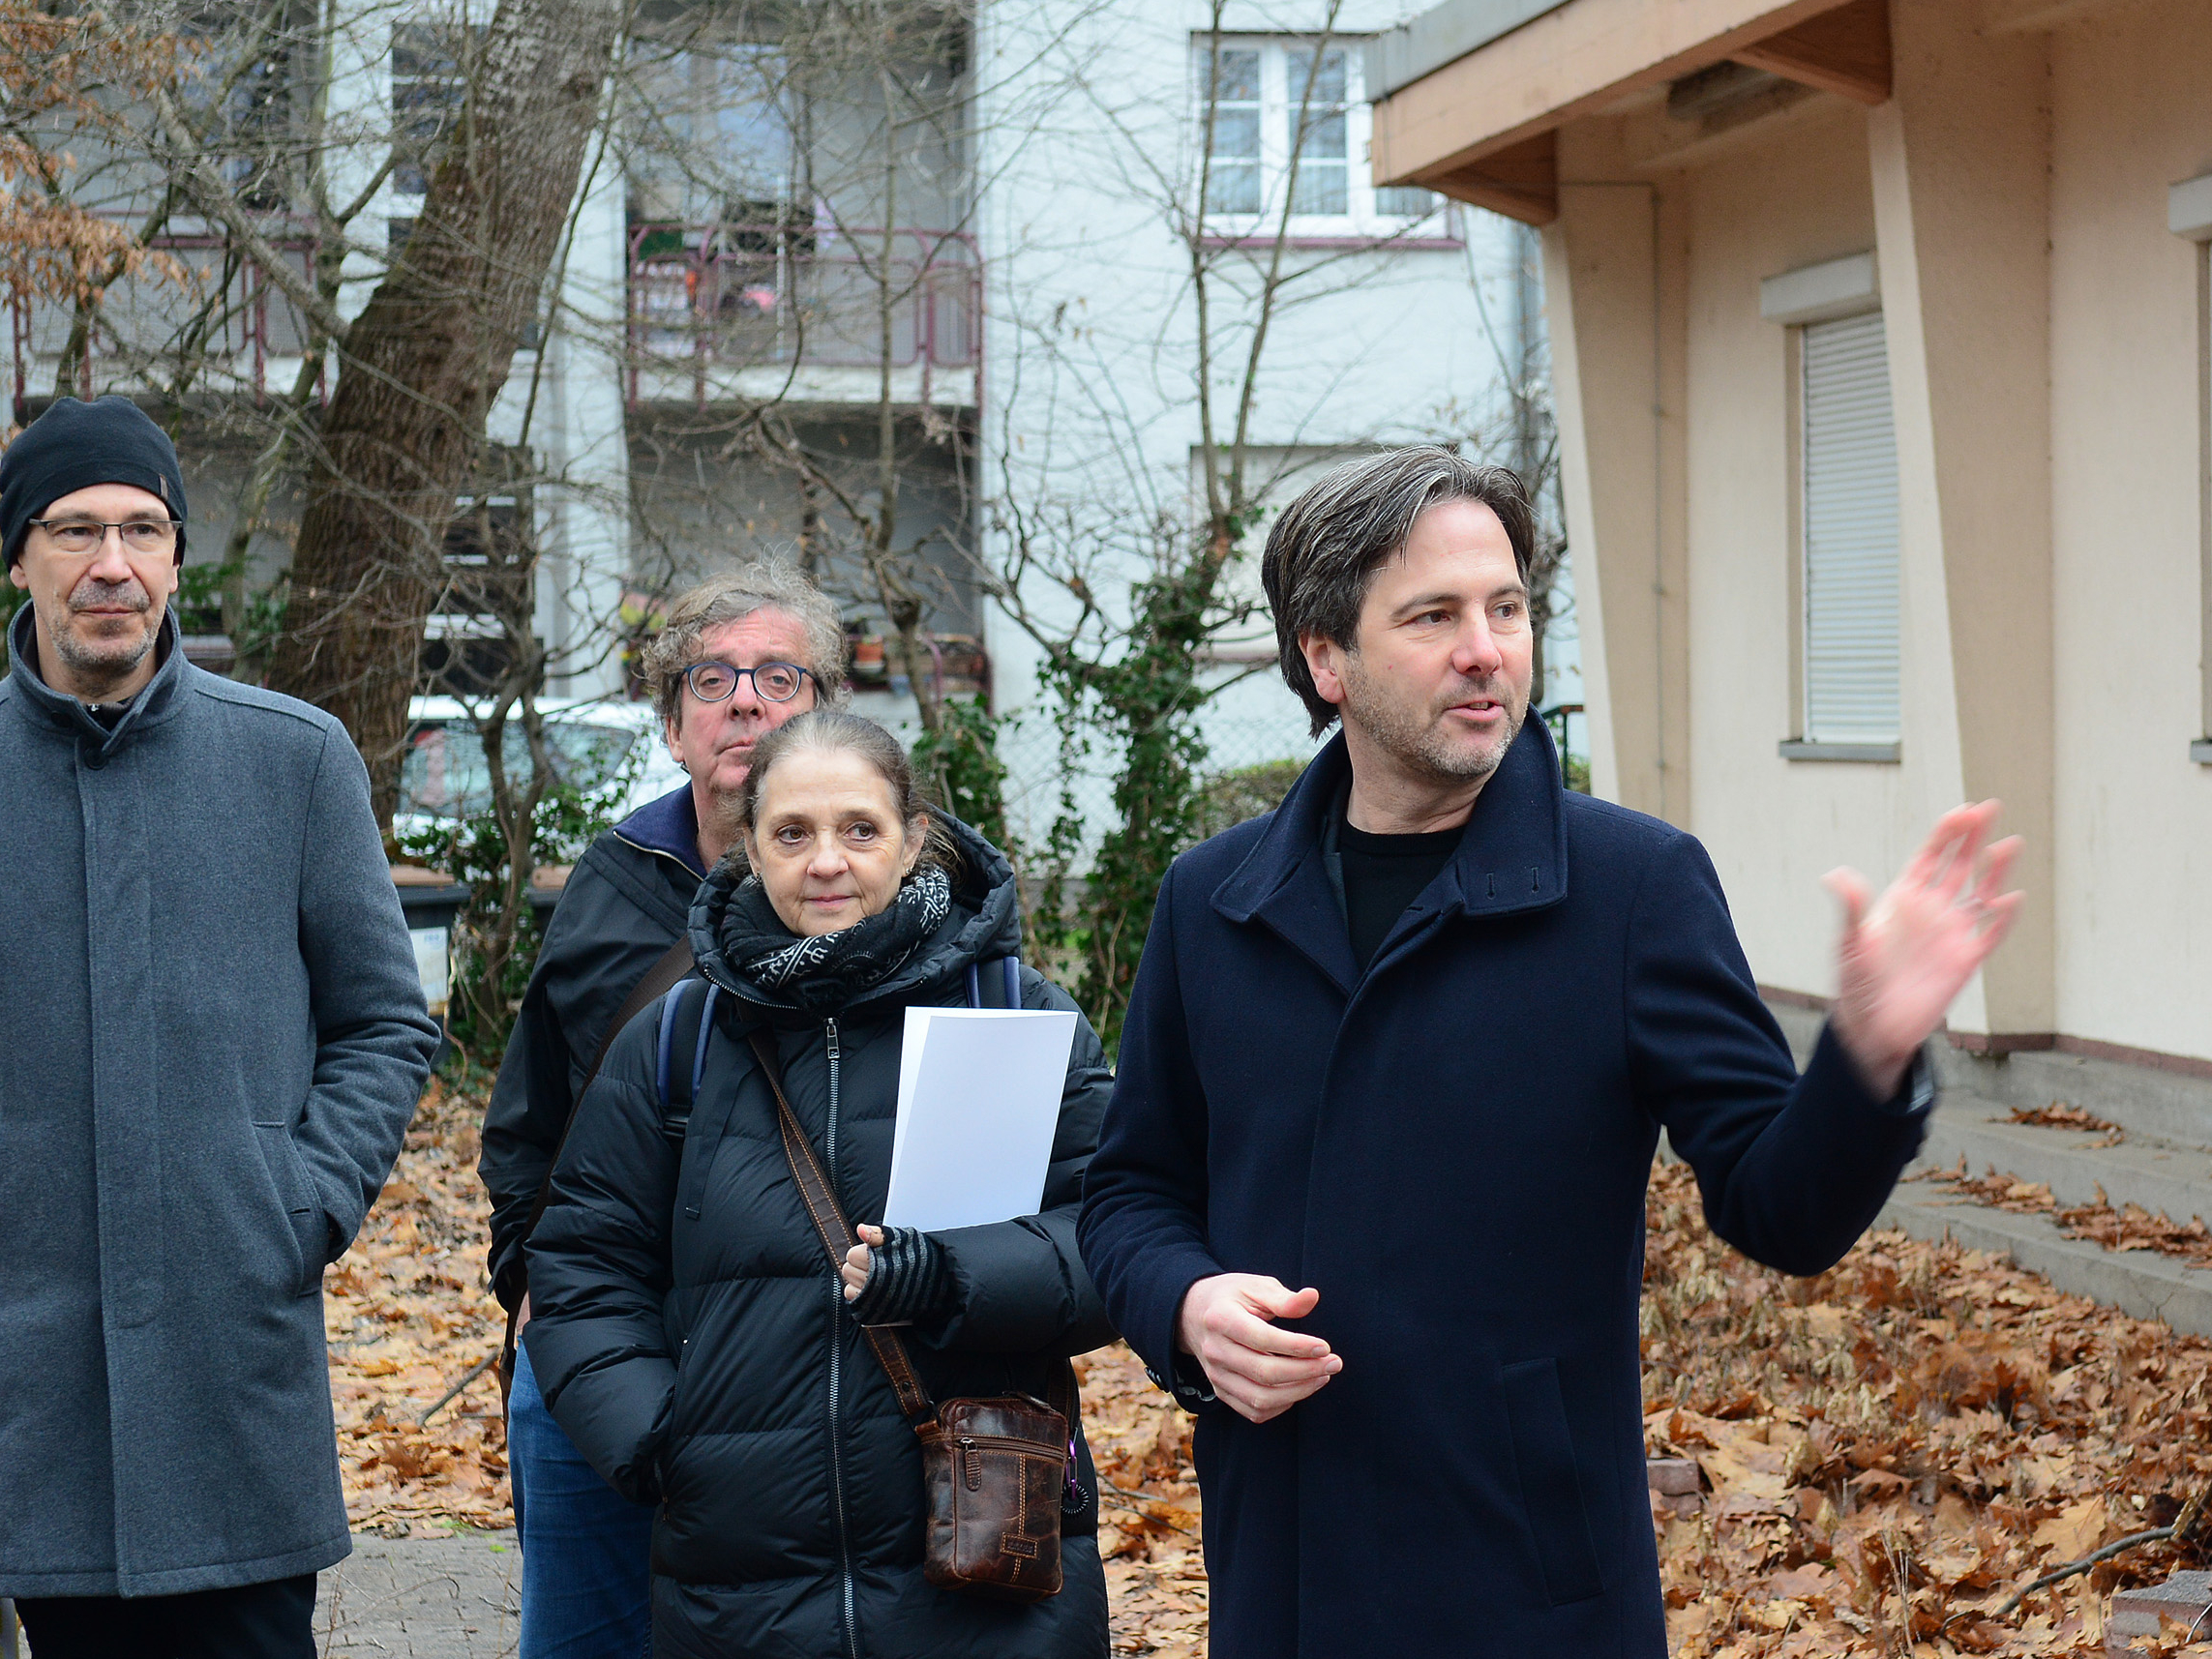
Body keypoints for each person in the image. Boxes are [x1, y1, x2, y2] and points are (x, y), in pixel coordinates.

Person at [1077, 447, 2022, 1657]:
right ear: (1326, 658)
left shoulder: (1633, 887)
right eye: (1434, 616)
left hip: (1531, 1582)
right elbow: (1133, 1189)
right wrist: (1187, 1304)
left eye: (1508, 608)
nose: (1487, 649)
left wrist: (1870, 1051)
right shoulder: (1213, 900)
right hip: (1283, 1572)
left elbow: (1779, 1207)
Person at [522, 711, 1115, 1658]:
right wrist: (664, 1439)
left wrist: (949, 1275)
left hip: (983, 1558)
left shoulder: (1013, 1011)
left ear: (913, 839)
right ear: (750, 848)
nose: (827, 860)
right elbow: (581, 1268)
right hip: (737, 1584)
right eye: (793, 832)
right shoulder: (678, 1040)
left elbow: (1115, 1235)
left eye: (860, 829)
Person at [0, 397, 439, 1657]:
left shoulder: (292, 760)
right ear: (20, 557)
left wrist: (294, 1201)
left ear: (178, 556)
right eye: (75, 529)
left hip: (229, 1367)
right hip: (27, 1380)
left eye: (143, 528)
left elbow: (383, 1020)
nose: (113, 563)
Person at [479, 562, 846, 1657]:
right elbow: (530, 1114)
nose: (745, 702)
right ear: (673, 724)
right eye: (712, 679)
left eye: (779, 676)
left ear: (826, 709)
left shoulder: (900, 891)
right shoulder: (613, 880)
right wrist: (531, 1286)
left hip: (814, 1368)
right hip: (602, 1341)